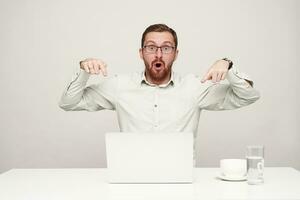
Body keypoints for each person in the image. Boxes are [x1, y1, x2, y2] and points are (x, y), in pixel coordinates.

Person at [59, 23, 260, 135]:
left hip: (180, 182)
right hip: (131, 178)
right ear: (141, 53)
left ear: (175, 54)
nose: (158, 54)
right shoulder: (120, 86)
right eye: (151, 47)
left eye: (166, 48)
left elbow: (247, 96)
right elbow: (69, 103)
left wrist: (228, 65)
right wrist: (83, 69)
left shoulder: (194, 87)